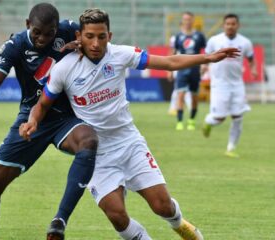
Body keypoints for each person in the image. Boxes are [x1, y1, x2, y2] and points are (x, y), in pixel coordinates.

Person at [19, 8, 239, 240]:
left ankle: (181, 225)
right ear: (79, 37)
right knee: (117, 215)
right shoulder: (64, 68)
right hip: (96, 154)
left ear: (109, 36)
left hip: (129, 143)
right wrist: (31, 121)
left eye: (101, 36)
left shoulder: (121, 55)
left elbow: (170, 61)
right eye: (89, 36)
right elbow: (42, 104)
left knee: (162, 206)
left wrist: (208, 57)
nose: (95, 43)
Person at [0, 3, 98, 240]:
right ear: (28, 25)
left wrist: (82, 44)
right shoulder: (15, 44)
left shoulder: (69, 30)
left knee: (88, 141)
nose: (43, 38)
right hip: (31, 117)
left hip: (66, 116)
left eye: (49, 33)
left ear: (56, 28)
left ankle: (59, 221)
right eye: (37, 32)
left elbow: (96, 40)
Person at [202, 13, 257, 158]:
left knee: (238, 117)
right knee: (219, 118)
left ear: (238, 25)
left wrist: (253, 69)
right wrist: (203, 68)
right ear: (223, 25)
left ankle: (231, 148)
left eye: (233, 24)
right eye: (228, 24)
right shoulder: (215, 41)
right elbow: (206, 57)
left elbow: (251, 58)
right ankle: (208, 122)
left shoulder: (245, 42)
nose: (230, 26)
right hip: (219, 85)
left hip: (237, 85)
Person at [167, 11, 206, 130]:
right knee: (180, 95)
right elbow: (172, 53)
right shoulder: (178, 37)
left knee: (194, 96)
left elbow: (205, 51)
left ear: (193, 21)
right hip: (182, 68)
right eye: (185, 19)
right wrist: (169, 70)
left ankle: (191, 121)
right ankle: (179, 122)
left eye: (189, 19)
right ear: (182, 21)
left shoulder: (199, 36)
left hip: (195, 69)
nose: (187, 21)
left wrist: (205, 65)